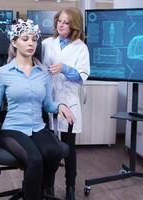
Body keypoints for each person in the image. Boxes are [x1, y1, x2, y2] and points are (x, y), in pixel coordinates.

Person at [0, 19, 75, 200]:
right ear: (14, 42)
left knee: (55, 152)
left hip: (38, 127)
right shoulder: (4, 72)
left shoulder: (43, 73)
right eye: (25, 39)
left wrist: (61, 106)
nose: (31, 43)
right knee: (35, 159)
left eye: (34, 39)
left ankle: (37, 190)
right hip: (13, 128)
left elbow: (48, 104)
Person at [42, 7, 90, 200]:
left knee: (69, 150)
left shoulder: (81, 47)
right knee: (49, 148)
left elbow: (82, 76)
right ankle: (49, 186)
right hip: (48, 102)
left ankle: (70, 188)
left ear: (74, 26)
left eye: (66, 22)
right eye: (59, 21)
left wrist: (64, 68)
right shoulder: (46, 43)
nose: (61, 24)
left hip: (69, 103)